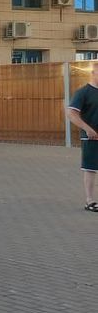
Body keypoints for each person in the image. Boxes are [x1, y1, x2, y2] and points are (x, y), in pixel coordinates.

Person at [67, 60, 98, 211]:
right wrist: (88, 129)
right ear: (93, 73)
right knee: (90, 168)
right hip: (91, 138)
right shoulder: (83, 92)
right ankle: (90, 201)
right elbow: (71, 114)